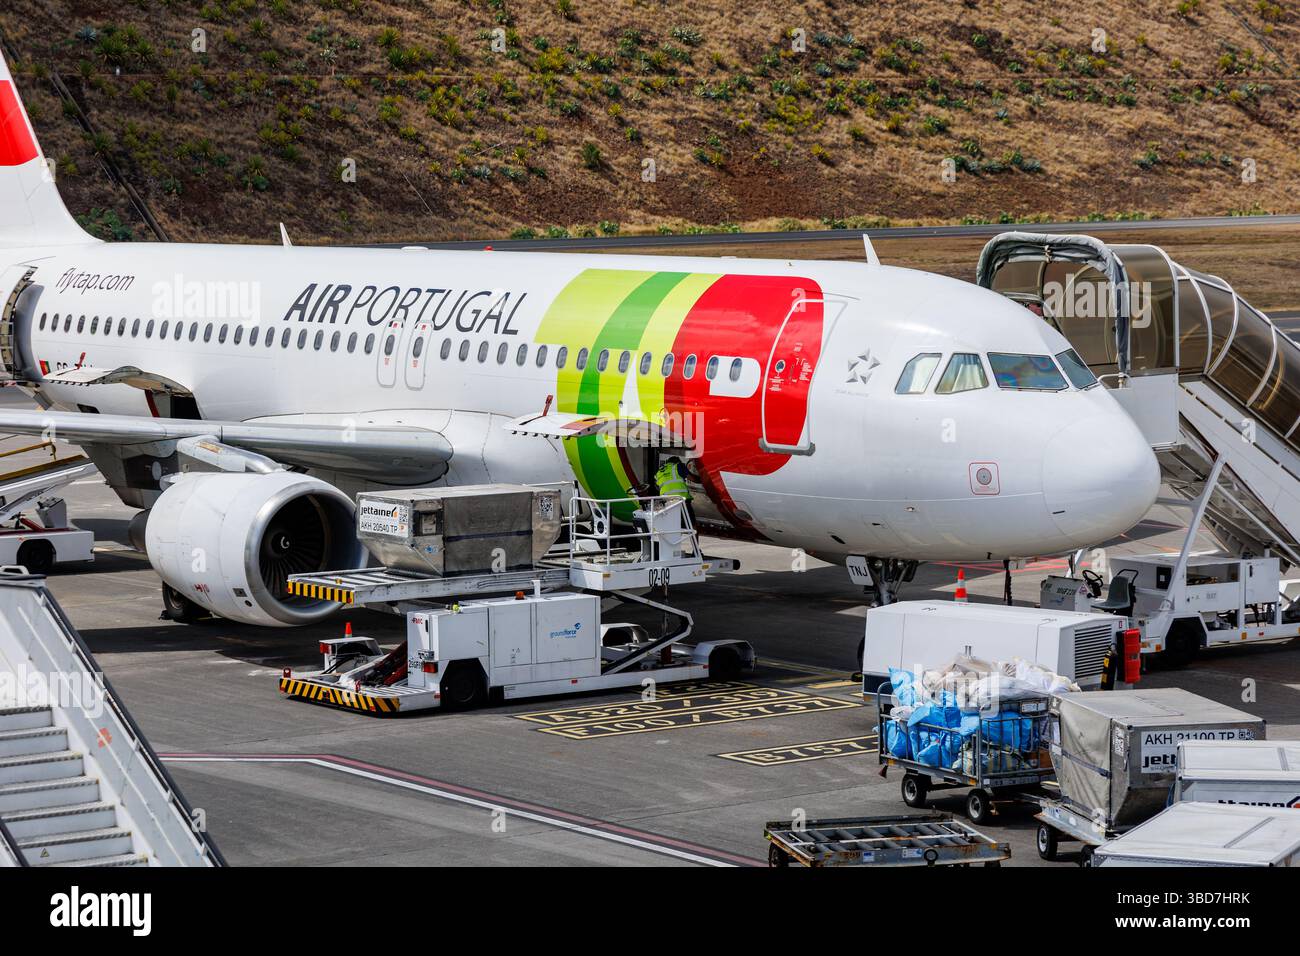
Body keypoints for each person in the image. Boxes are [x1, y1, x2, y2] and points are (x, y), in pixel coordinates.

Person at [654, 455, 696, 527]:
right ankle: (693, 537)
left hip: (667, 502)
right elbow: (692, 479)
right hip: (681, 500)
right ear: (677, 462)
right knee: (692, 525)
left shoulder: (659, 472)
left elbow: (657, 486)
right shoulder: (678, 466)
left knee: (674, 525)